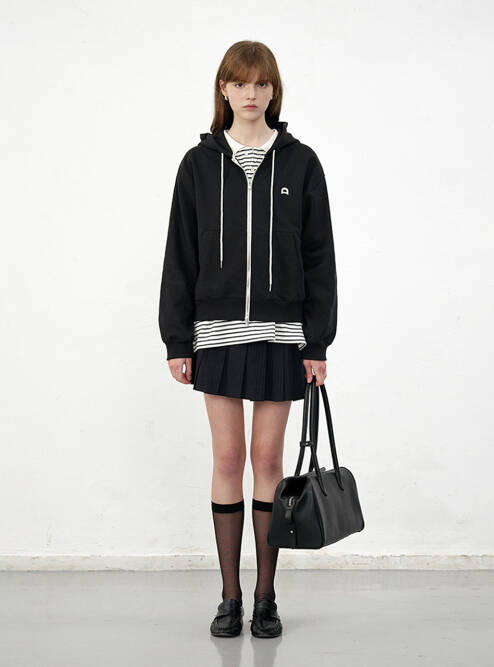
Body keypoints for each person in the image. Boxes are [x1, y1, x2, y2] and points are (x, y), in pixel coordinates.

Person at [158, 40, 338, 638]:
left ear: (273, 90)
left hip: (282, 337)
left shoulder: (301, 163)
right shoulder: (198, 164)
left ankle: (266, 595)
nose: (252, 94)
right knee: (228, 459)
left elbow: (319, 257)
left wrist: (317, 342)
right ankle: (229, 595)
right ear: (224, 89)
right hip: (216, 334)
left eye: (262, 84)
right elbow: (180, 254)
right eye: (240, 83)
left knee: (268, 461)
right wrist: (177, 339)